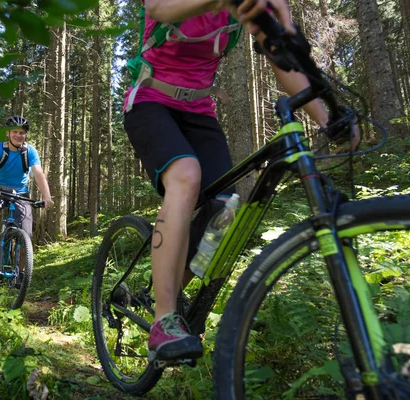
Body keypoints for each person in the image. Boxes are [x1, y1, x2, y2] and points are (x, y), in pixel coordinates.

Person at [124, 0, 352, 363]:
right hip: (150, 100)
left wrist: (327, 118)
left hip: (198, 109)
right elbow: (159, 10)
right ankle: (163, 317)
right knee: (186, 175)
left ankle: (168, 297)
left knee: (225, 207)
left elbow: (283, 61)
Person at [0, 115, 54, 266]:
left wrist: (47, 197)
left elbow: (38, 173)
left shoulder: (29, 151)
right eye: (14, 132)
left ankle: (22, 274)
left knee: (26, 234)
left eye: (22, 132)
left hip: (20, 193)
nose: (18, 135)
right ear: (8, 133)